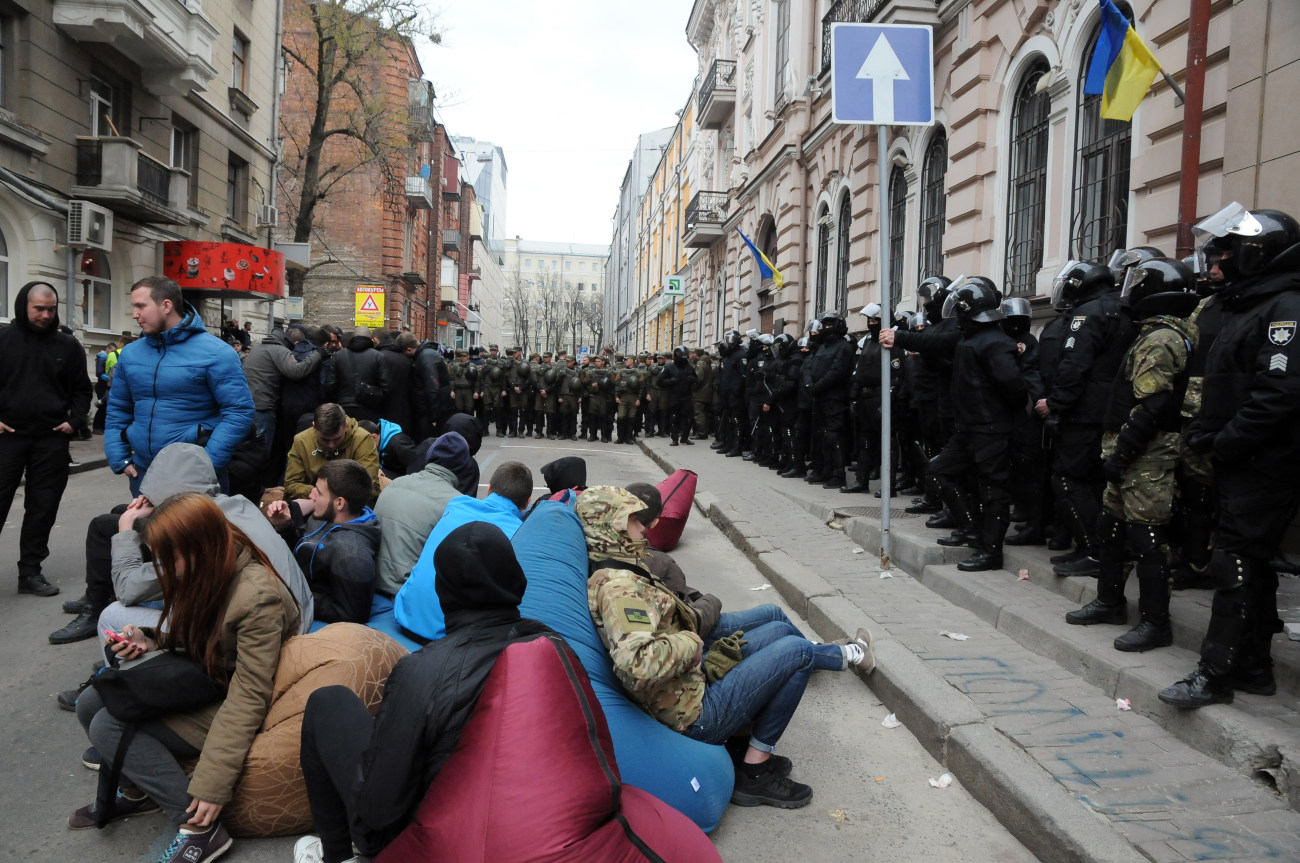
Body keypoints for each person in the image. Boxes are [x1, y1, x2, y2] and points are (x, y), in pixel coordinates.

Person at [580, 485, 858, 809]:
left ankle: (743, 745)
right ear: (609, 526)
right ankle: (755, 773)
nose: (643, 528)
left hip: (690, 683)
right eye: (632, 520)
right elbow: (637, 665)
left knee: (780, 628)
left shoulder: (622, 570)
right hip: (695, 714)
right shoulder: (619, 588)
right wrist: (689, 641)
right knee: (798, 652)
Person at [294, 522, 554, 863]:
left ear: (442, 590)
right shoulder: (555, 646)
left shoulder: (423, 672)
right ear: (516, 576)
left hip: (441, 839)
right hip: (530, 824)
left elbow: (377, 810)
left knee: (327, 702)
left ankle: (338, 856)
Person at [71, 493, 299, 863]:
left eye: (167, 557)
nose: (163, 568)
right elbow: (206, 635)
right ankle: (138, 792)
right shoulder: (211, 566)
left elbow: (250, 695)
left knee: (109, 726)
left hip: (244, 696)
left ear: (198, 547)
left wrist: (212, 785)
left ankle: (200, 828)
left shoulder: (257, 596)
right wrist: (152, 639)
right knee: (92, 700)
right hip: (213, 674)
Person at [1160, 206, 1300, 708]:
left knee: (1234, 562)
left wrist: (1223, 441)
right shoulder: (1251, 303)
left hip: (1263, 464)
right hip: (1244, 461)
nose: (1220, 257)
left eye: (1229, 248)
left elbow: (1278, 396)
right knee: (1253, 564)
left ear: (1257, 251)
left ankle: (1214, 673)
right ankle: (1254, 668)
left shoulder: (1285, 307)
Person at [49, 443, 314, 659]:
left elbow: (128, 589)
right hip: (292, 623)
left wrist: (126, 528)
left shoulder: (195, 531)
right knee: (165, 590)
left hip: (264, 642)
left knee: (113, 615)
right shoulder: (237, 506)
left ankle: (117, 680)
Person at [1064, 259, 1199, 652]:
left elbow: (1153, 406)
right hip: (1131, 453)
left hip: (1146, 457)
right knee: (1111, 529)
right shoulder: (1152, 334)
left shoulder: (1161, 339)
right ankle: (1110, 602)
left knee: (1146, 537)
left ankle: (1157, 623)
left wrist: (1122, 454)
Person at [881, 277, 1027, 571]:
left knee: (993, 490)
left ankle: (990, 550)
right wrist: (899, 337)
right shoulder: (967, 336)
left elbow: (1015, 390)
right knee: (939, 471)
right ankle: (972, 529)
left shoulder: (996, 343)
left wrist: (996, 420)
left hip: (990, 430)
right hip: (968, 429)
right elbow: (931, 342)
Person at [105, 276, 254, 496]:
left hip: (195, 477)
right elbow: (118, 407)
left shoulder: (216, 353)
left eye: (141, 306)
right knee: (147, 531)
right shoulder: (130, 353)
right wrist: (119, 456)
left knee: (197, 532)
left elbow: (239, 412)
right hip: (144, 473)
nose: (135, 314)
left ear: (166, 305)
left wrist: (207, 464)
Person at [0, 281, 92, 597]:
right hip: (7, 438)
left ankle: (30, 573)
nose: (45, 315)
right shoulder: (3, 340)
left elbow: (82, 390)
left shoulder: (68, 346)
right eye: (39, 308)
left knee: (43, 507)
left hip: (51, 439)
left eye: (50, 309)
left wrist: (74, 421)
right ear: (24, 306)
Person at [393, 462, 534, 643]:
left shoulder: (457, 504)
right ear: (527, 502)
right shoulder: (520, 534)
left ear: (488, 489)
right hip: (448, 639)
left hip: (405, 616)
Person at [267, 459, 380, 626]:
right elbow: (306, 549)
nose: (311, 495)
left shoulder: (352, 555)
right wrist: (285, 527)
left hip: (306, 610)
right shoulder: (326, 516)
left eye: (319, 492)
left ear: (340, 503)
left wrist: (299, 593)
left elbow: (351, 615)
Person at [372, 431, 474, 601]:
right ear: (463, 466)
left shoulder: (395, 483)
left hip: (374, 584)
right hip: (407, 593)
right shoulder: (456, 504)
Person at [242, 325, 326, 459]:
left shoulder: (257, 349)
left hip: (248, 404)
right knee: (261, 451)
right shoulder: (279, 350)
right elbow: (296, 371)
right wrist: (319, 354)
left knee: (248, 449)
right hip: (263, 407)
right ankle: (261, 479)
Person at [284, 403, 380, 502]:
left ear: (346, 426)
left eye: (337, 439)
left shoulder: (362, 440)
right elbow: (291, 484)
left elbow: (368, 486)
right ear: (314, 428)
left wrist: (327, 493)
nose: (331, 445)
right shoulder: (302, 441)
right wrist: (311, 491)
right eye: (325, 440)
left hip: (352, 502)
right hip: (316, 499)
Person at [325, 326, 390, 424]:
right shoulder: (378, 356)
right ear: (371, 339)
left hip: (343, 407)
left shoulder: (338, 356)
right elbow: (386, 387)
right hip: (369, 409)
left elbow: (330, 385)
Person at [657, 346, 698, 446]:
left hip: (687, 396)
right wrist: (671, 381)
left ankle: (684, 438)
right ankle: (674, 439)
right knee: (674, 418)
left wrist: (691, 379)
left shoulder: (689, 367)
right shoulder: (669, 367)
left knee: (689, 418)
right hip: (674, 396)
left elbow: (696, 379)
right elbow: (660, 381)